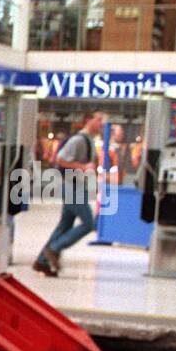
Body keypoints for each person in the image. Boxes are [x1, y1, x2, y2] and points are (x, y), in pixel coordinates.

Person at [34, 111, 104, 276]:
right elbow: (60, 159)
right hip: (72, 187)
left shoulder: (88, 140)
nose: (102, 123)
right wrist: (83, 168)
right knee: (88, 224)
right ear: (88, 120)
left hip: (76, 186)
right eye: (99, 119)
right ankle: (53, 249)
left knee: (64, 225)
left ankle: (42, 261)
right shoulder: (79, 140)